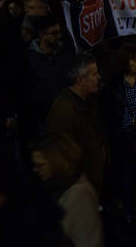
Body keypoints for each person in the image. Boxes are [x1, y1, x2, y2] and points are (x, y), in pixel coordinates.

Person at [105, 43, 136, 225]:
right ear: (125, 61)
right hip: (123, 136)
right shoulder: (115, 85)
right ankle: (129, 213)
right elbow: (110, 113)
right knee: (127, 177)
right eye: (135, 59)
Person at [46, 53, 107, 194]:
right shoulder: (63, 111)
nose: (99, 77)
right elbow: (61, 160)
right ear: (81, 80)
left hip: (91, 185)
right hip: (78, 191)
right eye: (95, 74)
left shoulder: (90, 101)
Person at [32, 133, 104, 247]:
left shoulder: (79, 195)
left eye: (40, 165)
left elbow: (89, 241)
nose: (35, 170)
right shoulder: (57, 188)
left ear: (57, 163)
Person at [27, 16, 73, 123]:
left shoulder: (65, 52)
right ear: (42, 35)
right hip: (47, 117)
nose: (59, 36)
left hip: (70, 110)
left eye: (59, 32)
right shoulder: (30, 59)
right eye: (54, 33)